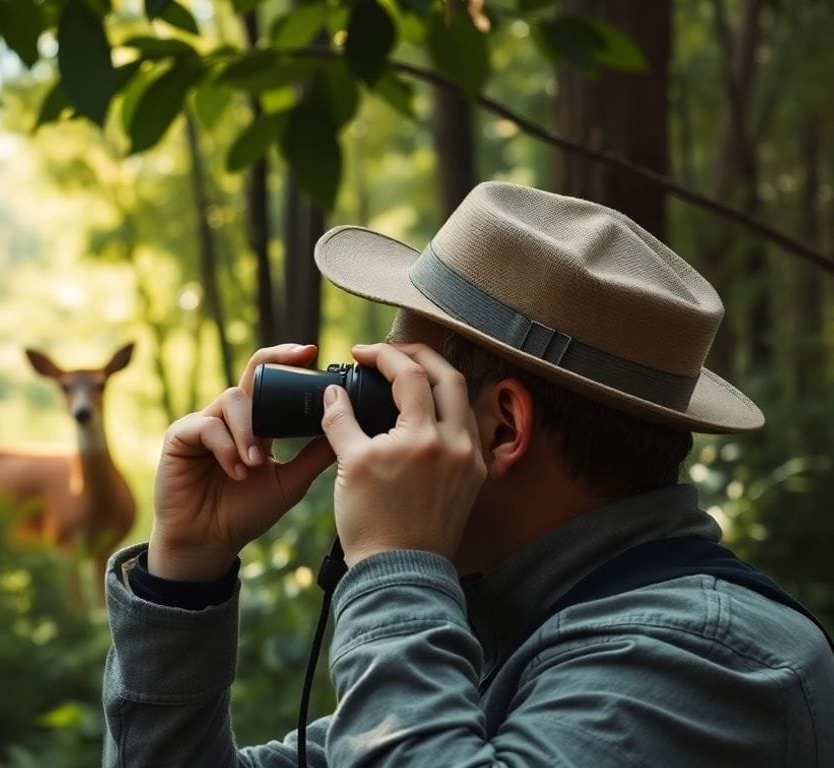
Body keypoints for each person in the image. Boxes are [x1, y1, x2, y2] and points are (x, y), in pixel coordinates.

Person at [100, 181, 834, 767]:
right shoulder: (506, 637)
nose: (357, 401)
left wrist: (393, 562)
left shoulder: (711, 663)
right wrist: (184, 574)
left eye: (393, 379)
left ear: (501, 427)